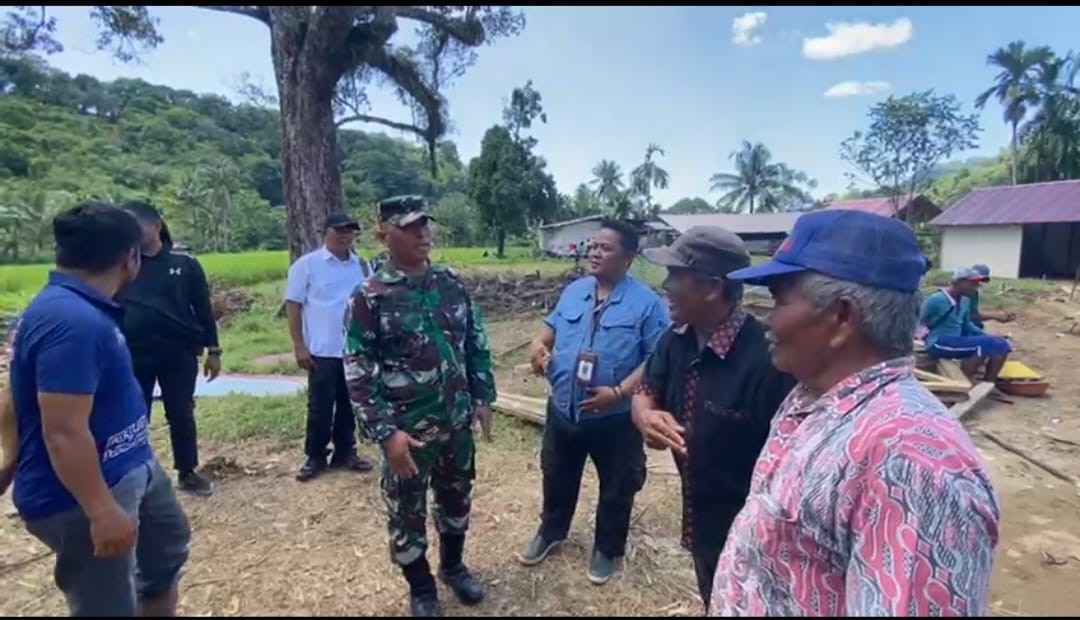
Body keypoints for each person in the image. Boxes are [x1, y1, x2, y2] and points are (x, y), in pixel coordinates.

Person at [709, 209, 1000, 616]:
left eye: (778, 301)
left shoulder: (910, 461)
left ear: (843, 317)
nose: (768, 320)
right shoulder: (812, 398)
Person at [8, 203, 191, 616]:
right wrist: (101, 510)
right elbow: (64, 432)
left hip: (131, 464)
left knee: (165, 557)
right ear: (130, 258)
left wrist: (10, 453)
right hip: (84, 495)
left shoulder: (76, 307)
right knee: (106, 606)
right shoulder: (73, 322)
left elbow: (15, 390)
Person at [344, 195, 496, 617]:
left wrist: (483, 396)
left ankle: (453, 566)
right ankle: (421, 587)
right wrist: (386, 434)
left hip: (456, 420)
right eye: (409, 226)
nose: (422, 233)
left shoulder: (450, 283)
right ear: (384, 233)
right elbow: (358, 369)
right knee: (406, 511)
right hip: (407, 429)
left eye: (424, 225)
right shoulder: (370, 295)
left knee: (457, 497)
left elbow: (476, 341)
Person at [631, 226, 795, 610]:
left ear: (711, 287)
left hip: (757, 536)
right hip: (700, 518)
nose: (666, 286)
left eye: (676, 276)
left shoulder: (770, 362)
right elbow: (646, 388)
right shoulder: (677, 338)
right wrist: (644, 417)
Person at [519, 219, 669, 585]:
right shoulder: (575, 291)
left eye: (605, 248)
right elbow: (547, 334)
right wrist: (538, 350)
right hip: (564, 411)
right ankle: (551, 531)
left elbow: (657, 358)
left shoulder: (647, 304)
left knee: (618, 484)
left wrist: (617, 393)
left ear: (629, 258)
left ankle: (607, 548)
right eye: (593, 245)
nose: (594, 252)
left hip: (615, 418)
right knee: (556, 475)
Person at [118, 200, 221, 497]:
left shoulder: (184, 264)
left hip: (178, 352)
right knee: (135, 414)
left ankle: (187, 471)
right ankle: (134, 474)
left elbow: (203, 309)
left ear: (156, 226)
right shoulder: (124, 265)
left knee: (181, 412)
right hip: (134, 352)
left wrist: (214, 350)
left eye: (136, 226)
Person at [285, 211, 374, 481]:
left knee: (350, 404)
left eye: (350, 230)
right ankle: (315, 455)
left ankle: (346, 452)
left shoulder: (362, 266)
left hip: (354, 349)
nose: (345, 235)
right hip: (322, 350)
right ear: (325, 232)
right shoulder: (307, 265)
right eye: (340, 230)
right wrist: (299, 345)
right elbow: (294, 305)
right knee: (320, 406)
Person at [921, 266, 1012, 382]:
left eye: (977, 284)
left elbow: (966, 326)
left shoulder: (965, 300)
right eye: (972, 283)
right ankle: (965, 382)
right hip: (938, 342)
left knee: (1002, 344)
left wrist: (989, 336)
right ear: (958, 282)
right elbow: (919, 321)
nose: (976, 287)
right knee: (984, 345)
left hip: (955, 341)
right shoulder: (936, 300)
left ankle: (989, 383)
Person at [968, 264, 1016, 329]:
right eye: (977, 279)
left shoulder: (973, 293)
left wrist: (996, 316)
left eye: (982, 280)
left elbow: (973, 314)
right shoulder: (965, 293)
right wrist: (995, 316)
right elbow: (969, 316)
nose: (979, 283)